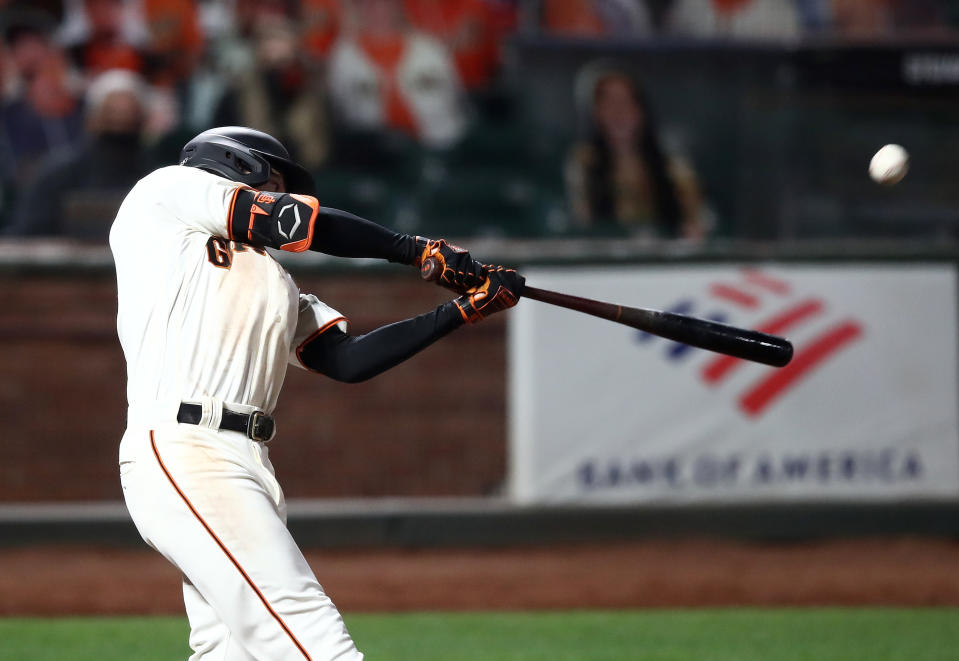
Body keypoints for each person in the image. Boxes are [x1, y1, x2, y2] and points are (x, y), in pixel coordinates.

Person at [110, 125, 524, 659]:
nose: (283, 193)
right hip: (184, 447)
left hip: (243, 459)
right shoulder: (166, 193)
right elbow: (296, 221)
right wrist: (417, 250)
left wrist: (461, 310)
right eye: (276, 180)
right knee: (315, 640)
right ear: (237, 164)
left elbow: (348, 360)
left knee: (230, 651)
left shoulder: (272, 281)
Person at [4, 68, 152, 238]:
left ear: (143, 119)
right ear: (92, 119)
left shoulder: (158, 175)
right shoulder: (59, 174)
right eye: (111, 115)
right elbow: (27, 234)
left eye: (130, 118)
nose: (121, 122)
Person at [564, 65, 705, 240]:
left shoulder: (671, 165)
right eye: (609, 103)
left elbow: (695, 221)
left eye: (627, 101)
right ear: (595, 112)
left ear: (641, 109)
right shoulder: (583, 163)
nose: (619, 112)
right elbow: (579, 223)